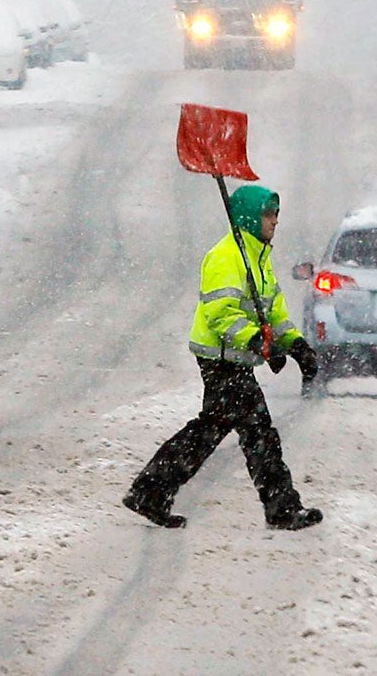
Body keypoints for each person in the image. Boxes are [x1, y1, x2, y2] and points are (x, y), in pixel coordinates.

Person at [123, 183, 324, 531]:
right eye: (268, 213)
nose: (275, 221)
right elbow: (220, 312)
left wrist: (294, 344)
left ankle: (151, 492)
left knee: (214, 429)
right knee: (257, 432)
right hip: (220, 357)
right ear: (249, 217)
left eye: (276, 213)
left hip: (236, 358)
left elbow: (273, 311)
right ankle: (282, 508)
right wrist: (254, 342)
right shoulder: (226, 256)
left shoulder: (257, 256)